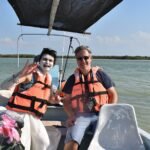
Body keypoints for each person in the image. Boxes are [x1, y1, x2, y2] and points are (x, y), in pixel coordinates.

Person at [0, 48, 60, 150]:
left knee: (44, 143)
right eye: (45, 59)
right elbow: (5, 87)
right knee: (24, 144)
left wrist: (55, 100)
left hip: (34, 118)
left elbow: (48, 99)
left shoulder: (48, 79)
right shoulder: (30, 75)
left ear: (53, 65)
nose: (47, 62)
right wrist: (20, 74)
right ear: (39, 61)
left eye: (50, 61)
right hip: (19, 115)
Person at [61, 45, 118, 150]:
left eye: (86, 57)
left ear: (91, 59)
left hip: (101, 114)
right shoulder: (72, 79)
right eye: (79, 58)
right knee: (72, 139)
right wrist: (71, 115)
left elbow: (113, 94)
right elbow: (66, 101)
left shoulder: (101, 74)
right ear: (77, 61)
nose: (83, 60)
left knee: (106, 139)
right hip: (81, 116)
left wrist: (108, 113)